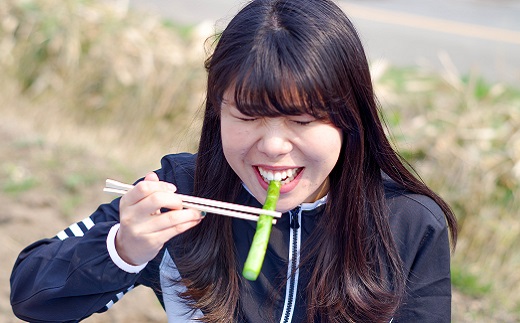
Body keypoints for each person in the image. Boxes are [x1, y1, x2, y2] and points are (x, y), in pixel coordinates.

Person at [10, 0, 457, 322]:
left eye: (302, 120)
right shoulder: (181, 194)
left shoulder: (410, 223)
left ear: (349, 119)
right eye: (248, 116)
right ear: (217, 112)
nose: (274, 146)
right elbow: (31, 295)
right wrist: (123, 250)